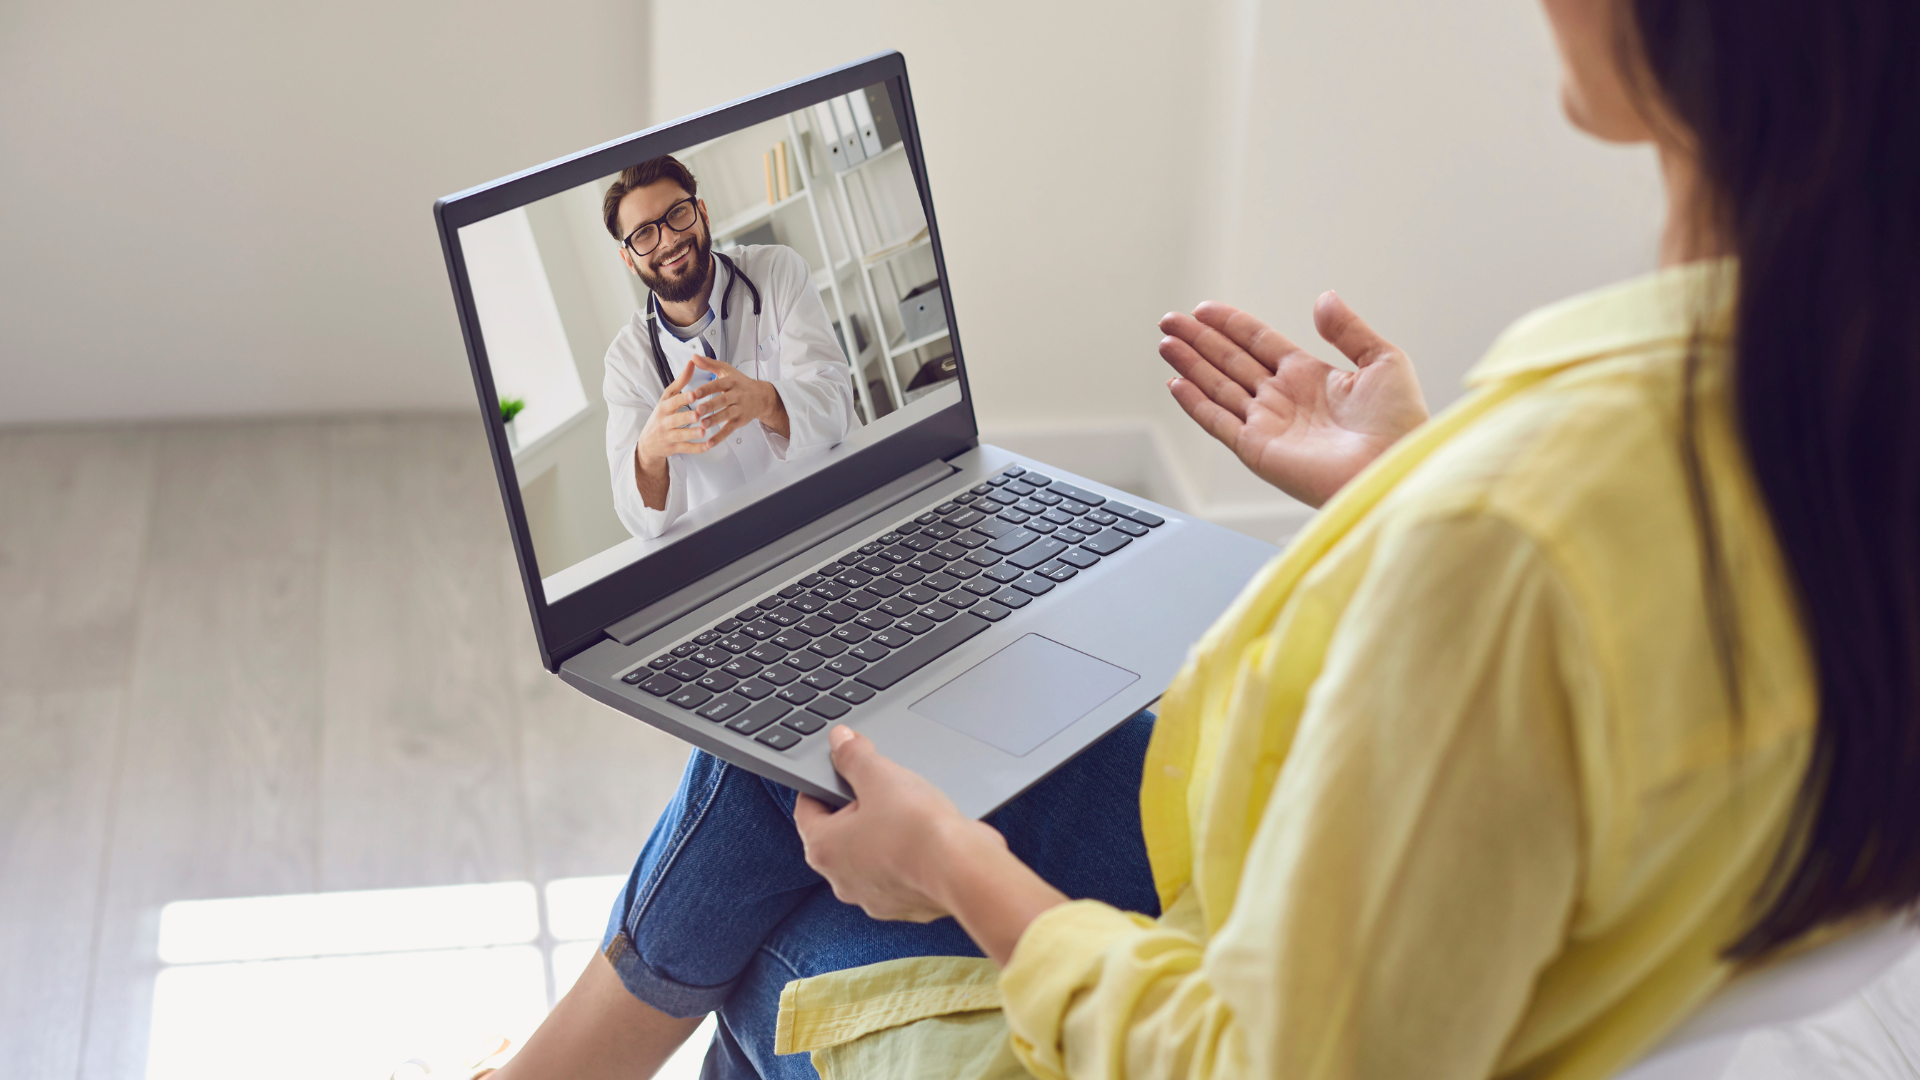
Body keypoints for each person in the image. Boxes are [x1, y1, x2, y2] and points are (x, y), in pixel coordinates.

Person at [484, 0, 1920, 1077]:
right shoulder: (1829, 398)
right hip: (1419, 878)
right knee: (807, 713)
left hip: (1278, 956)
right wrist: (1402, 485)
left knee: (770, 942)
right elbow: (1616, 621)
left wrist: (953, 875)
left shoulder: (1515, 538)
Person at [602, 156, 858, 540]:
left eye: (677, 214)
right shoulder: (626, 363)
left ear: (701, 212)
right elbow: (642, 523)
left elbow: (837, 404)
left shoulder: (777, 272)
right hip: (738, 552)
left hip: (836, 509)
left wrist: (765, 401)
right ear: (628, 258)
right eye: (644, 235)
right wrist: (650, 451)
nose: (668, 239)